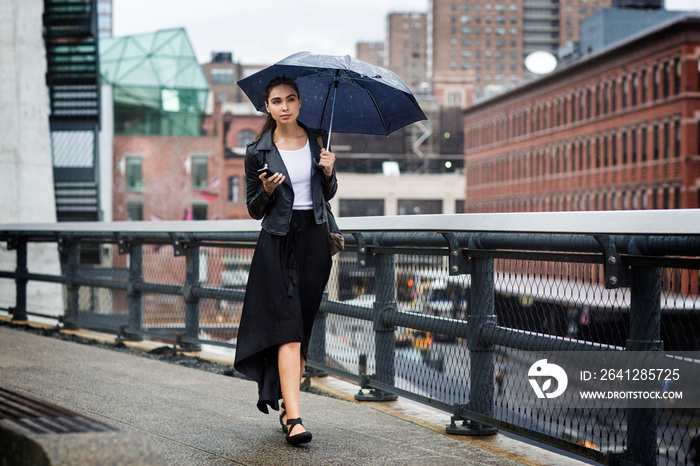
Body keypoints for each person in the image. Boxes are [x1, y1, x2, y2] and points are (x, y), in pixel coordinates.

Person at [233, 77, 337, 446]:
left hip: (315, 239)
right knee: (288, 329)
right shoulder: (257, 151)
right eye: (277, 101)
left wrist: (328, 172)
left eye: (291, 99)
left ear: (299, 103)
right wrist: (267, 191)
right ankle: (294, 418)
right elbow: (253, 209)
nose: (285, 106)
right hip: (277, 242)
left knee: (302, 327)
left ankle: (285, 401)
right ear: (268, 107)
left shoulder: (318, 140)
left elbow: (328, 194)